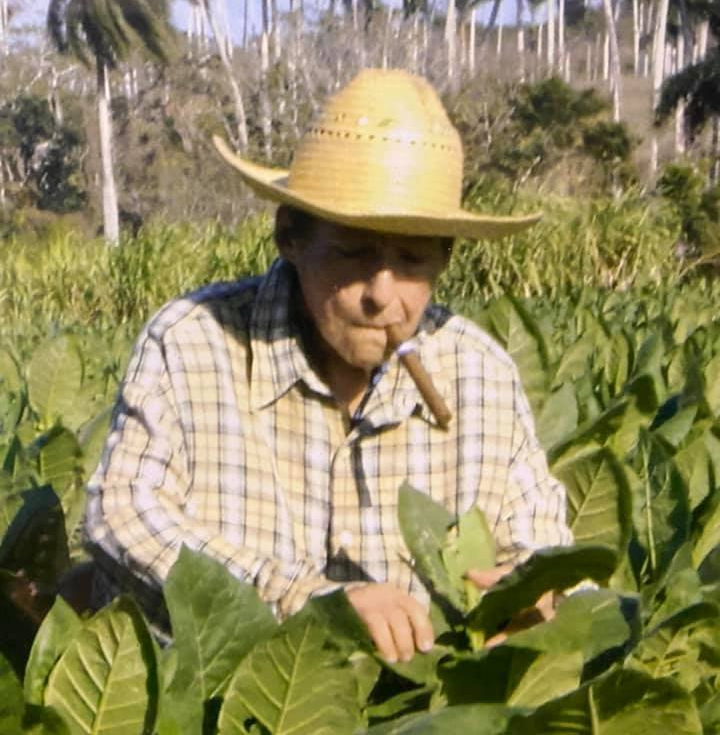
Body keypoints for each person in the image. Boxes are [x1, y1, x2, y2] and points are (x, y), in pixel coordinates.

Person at [84, 68, 571, 662]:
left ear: (447, 257)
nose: (382, 295)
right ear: (290, 236)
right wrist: (307, 601)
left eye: (413, 260)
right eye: (352, 252)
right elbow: (123, 516)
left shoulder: (479, 373)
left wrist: (533, 594)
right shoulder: (195, 343)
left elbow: (545, 547)